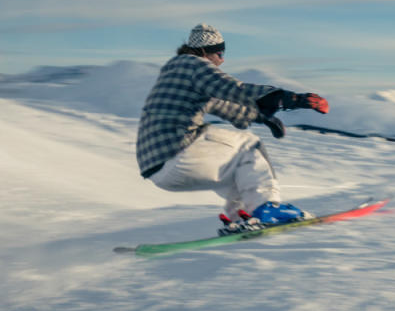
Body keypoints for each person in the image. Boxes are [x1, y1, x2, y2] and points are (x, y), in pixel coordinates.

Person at [136, 24, 330, 228]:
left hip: (156, 170)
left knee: (237, 172)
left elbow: (221, 104)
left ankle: (242, 215)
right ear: (205, 52)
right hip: (176, 150)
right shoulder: (194, 65)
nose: (222, 59)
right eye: (219, 53)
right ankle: (267, 208)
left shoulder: (176, 72)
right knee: (249, 146)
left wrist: (261, 117)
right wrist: (286, 98)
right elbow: (231, 88)